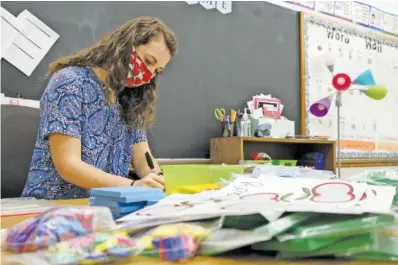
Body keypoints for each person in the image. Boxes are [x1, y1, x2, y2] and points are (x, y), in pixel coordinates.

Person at [21, 17, 178, 200]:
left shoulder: (130, 98)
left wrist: (158, 180)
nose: (149, 74)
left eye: (157, 71)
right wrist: (133, 186)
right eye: (149, 61)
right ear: (127, 45)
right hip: (52, 209)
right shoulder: (70, 83)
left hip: (103, 208)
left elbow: (144, 159)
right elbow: (68, 164)